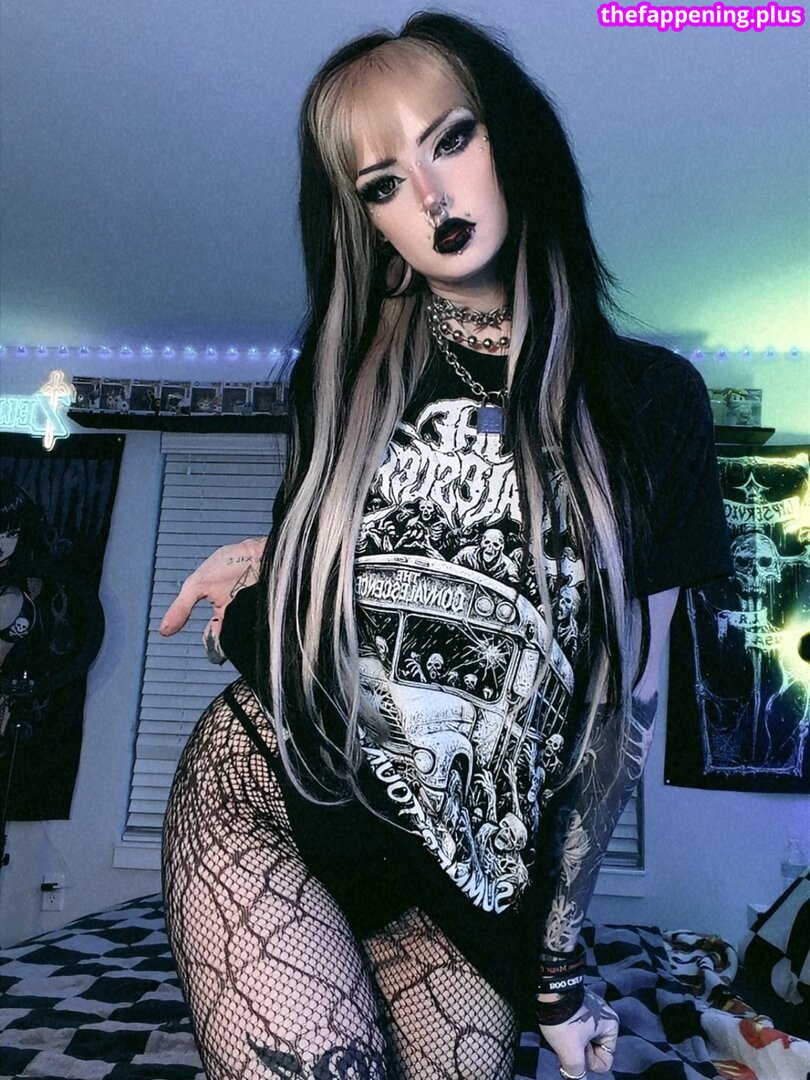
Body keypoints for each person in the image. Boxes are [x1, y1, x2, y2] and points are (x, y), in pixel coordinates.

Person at [160, 13, 732, 1080]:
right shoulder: (340, 377)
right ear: (369, 221)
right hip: (274, 786)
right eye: (382, 183)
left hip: (464, 867)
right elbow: (348, 576)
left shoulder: (652, 401)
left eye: (451, 140)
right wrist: (277, 562)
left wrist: (554, 967)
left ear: (511, 140)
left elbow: (625, 711)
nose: (427, 196)